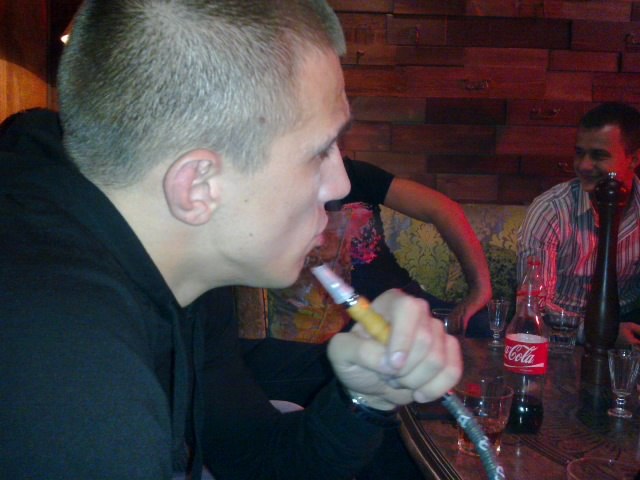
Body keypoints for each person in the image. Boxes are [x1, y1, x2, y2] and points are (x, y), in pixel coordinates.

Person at [0, 2, 463, 480]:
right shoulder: (67, 384)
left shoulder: (184, 264)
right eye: (320, 150)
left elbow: (248, 454)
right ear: (199, 186)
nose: (341, 185)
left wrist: (366, 397)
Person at [517, 102, 640, 346]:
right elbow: (533, 307)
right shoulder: (551, 210)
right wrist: (602, 332)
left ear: (634, 159)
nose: (583, 165)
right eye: (579, 153)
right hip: (560, 334)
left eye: (598, 155)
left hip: (627, 325)